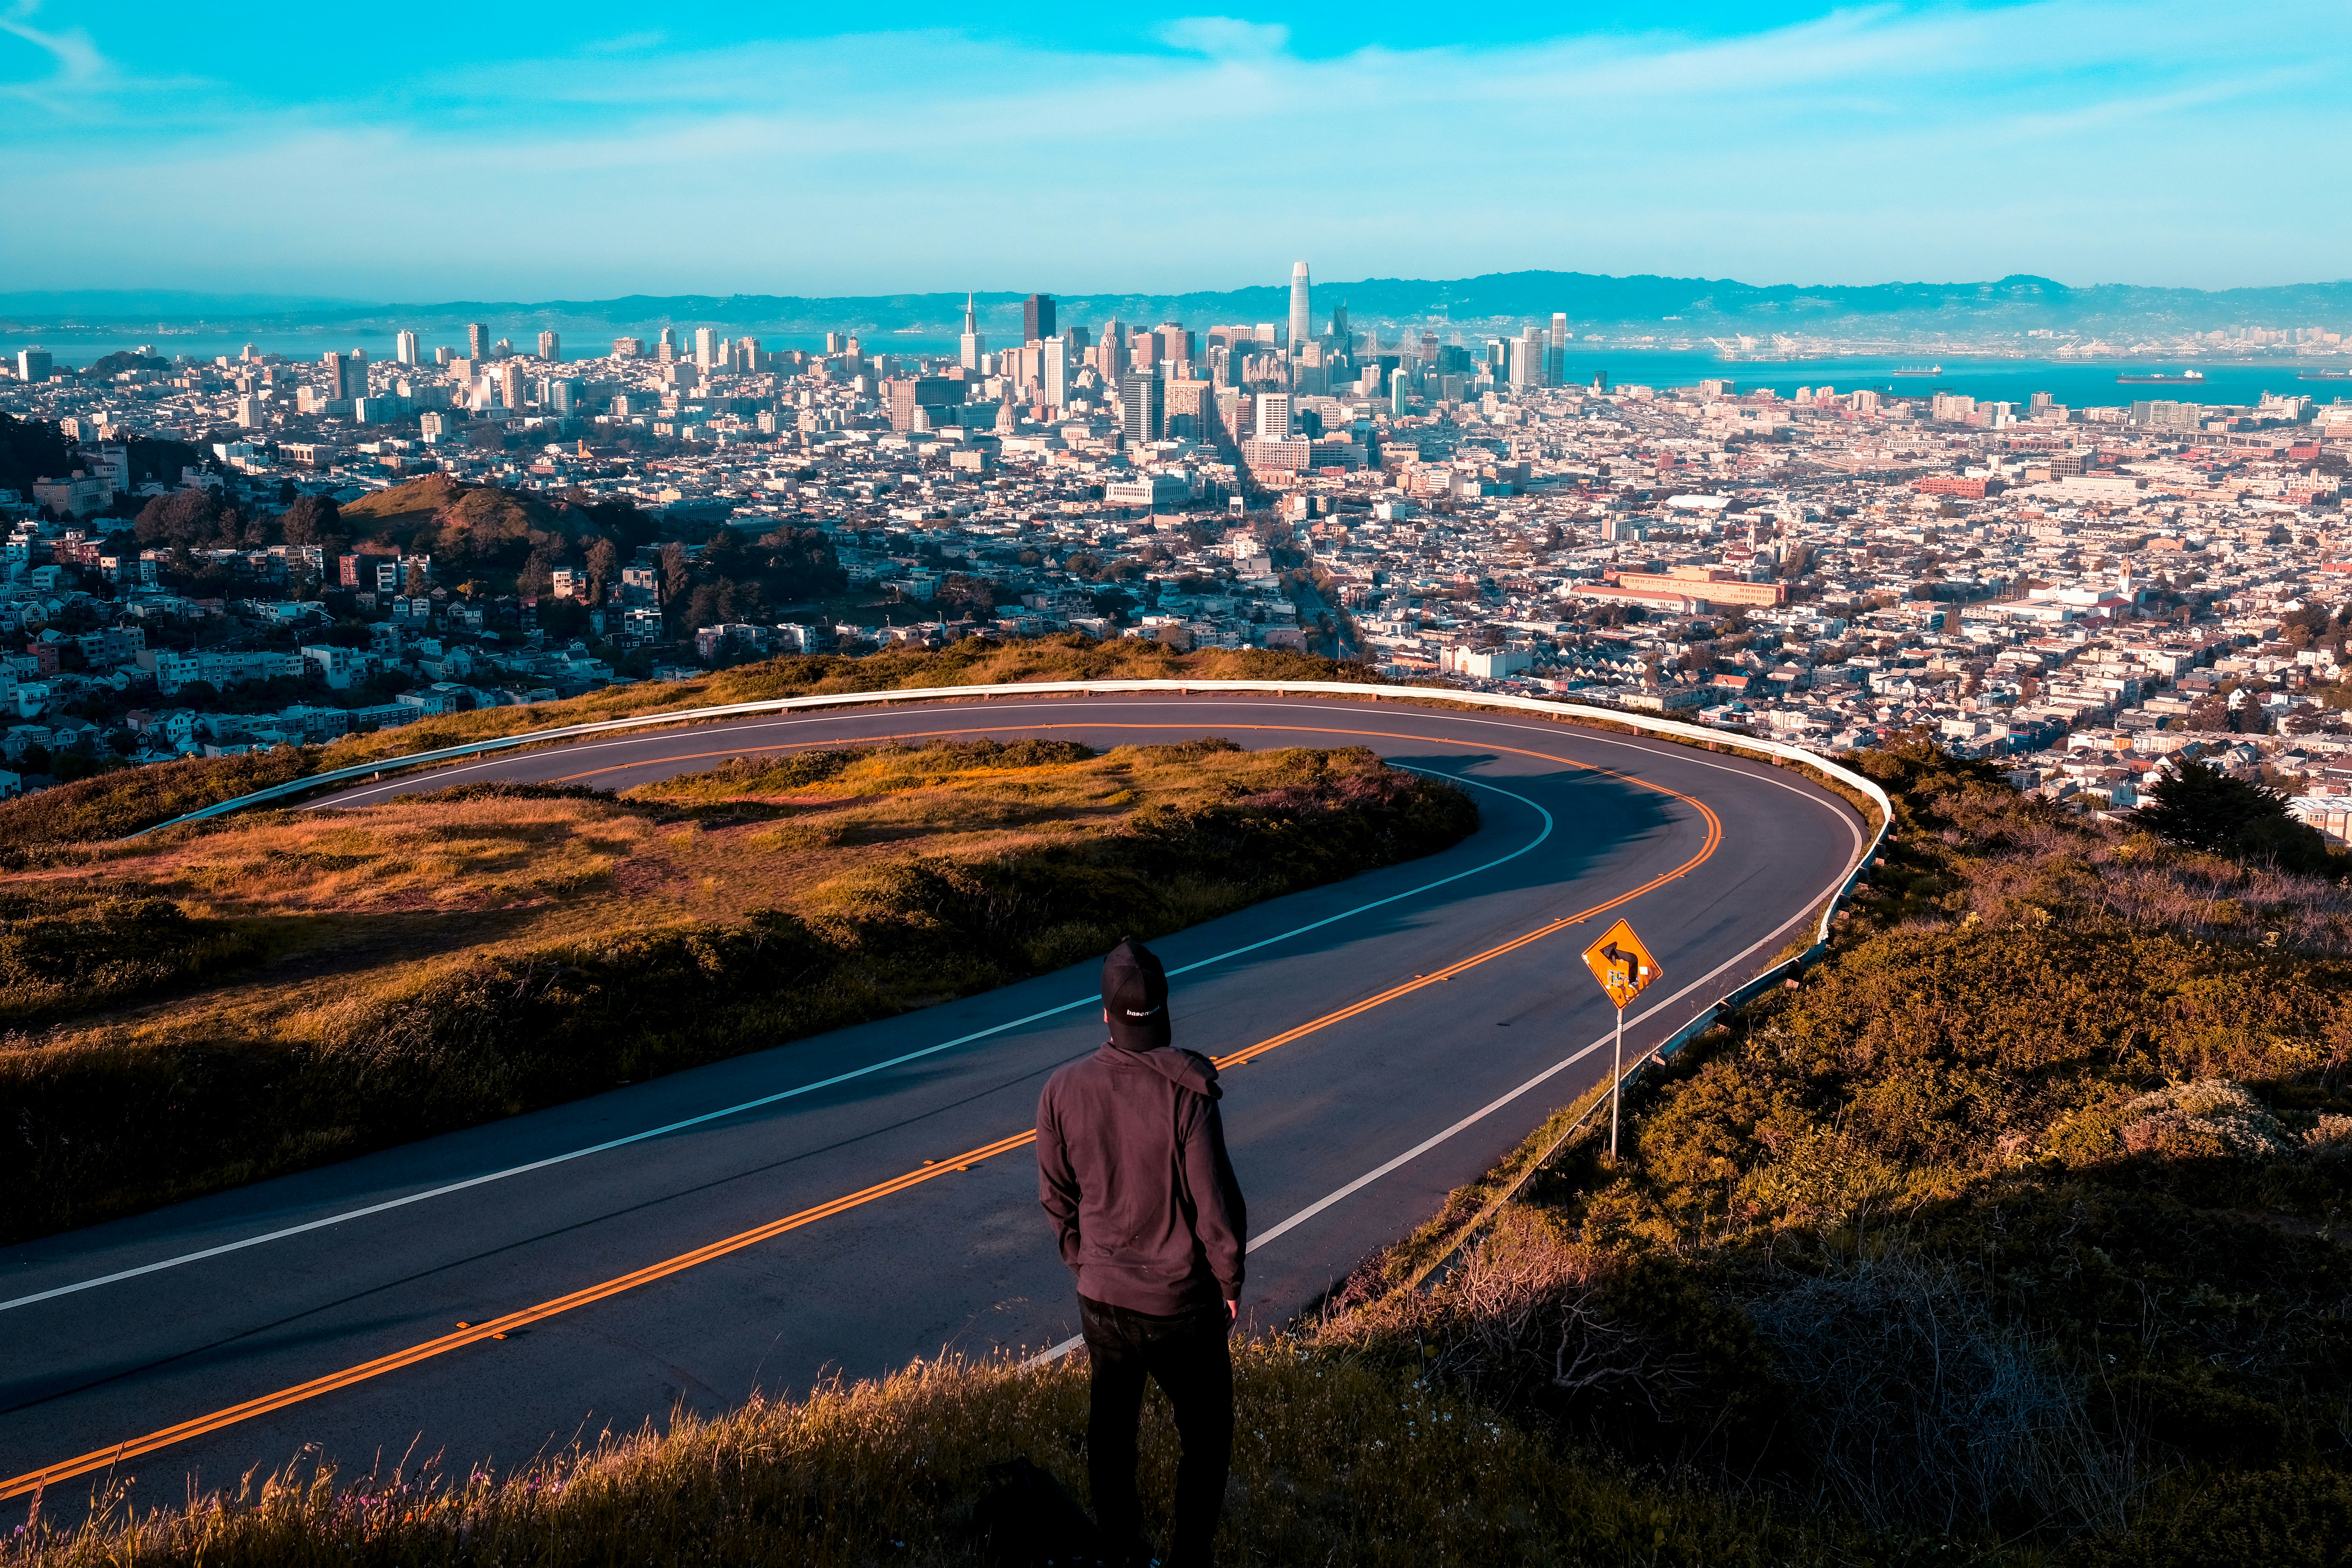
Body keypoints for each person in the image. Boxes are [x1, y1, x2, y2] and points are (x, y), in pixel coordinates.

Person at [1036, 938, 1247, 1568]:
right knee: (1207, 1440)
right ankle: (1189, 1558)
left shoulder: (1061, 1089)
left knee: (1112, 1434)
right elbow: (1215, 1205)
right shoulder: (1186, 1092)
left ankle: (1123, 1553)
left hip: (1101, 1298)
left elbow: (1055, 1195)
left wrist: (1084, 1259)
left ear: (1104, 1012)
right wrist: (1230, 1280)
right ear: (1163, 1008)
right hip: (1181, 1306)